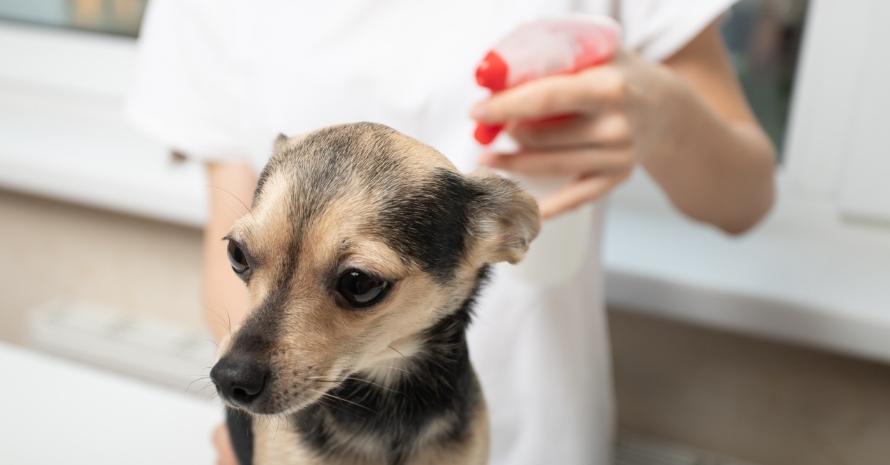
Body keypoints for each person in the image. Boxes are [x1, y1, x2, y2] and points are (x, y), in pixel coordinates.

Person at [127, 1, 775, 464]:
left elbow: (746, 198)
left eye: (356, 282)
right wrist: (249, 424)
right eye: (249, 256)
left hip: (537, 430)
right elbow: (228, 222)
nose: (234, 372)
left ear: (503, 233)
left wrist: (664, 117)